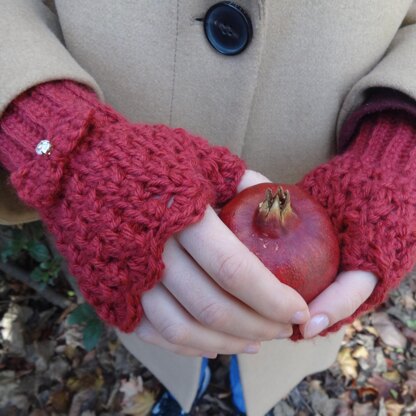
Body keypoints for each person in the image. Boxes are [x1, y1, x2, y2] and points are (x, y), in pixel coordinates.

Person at [0, 1, 415, 415]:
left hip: (322, 206)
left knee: (266, 348)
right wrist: (61, 140)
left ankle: (248, 394)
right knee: (170, 335)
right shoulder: (88, 171)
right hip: (127, 226)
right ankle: (184, 384)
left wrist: (401, 144)